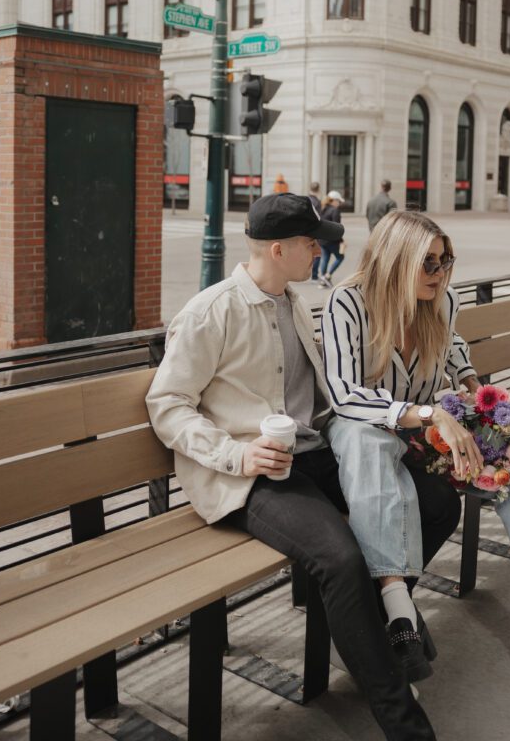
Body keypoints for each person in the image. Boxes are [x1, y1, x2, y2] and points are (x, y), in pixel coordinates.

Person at [147, 193, 438, 741]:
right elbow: (166, 406)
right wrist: (237, 454)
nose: (321, 250)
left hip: (310, 453)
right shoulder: (212, 312)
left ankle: (371, 632)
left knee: (428, 498)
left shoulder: (296, 301)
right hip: (252, 476)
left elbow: (321, 398)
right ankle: (403, 717)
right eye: (312, 243)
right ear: (279, 249)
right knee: (341, 560)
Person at [322, 209, 510, 720]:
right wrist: (423, 413)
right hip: (370, 428)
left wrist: (474, 388)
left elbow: (451, 347)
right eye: (428, 261)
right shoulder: (349, 301)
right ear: (397, 258)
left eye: (446, 259)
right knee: (367, 440)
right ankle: (399, 614)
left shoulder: (442, 301)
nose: (439, 270)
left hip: (433, 434)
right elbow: (343, 395)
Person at [318, 190, 345, 288]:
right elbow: (337, 227)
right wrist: (341, 240)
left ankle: (322, 280)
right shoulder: (335, 210)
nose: (339, 203)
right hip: (332, 240)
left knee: (325, 258)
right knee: (340, 257)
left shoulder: (323, 208)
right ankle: (327, 275)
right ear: (334, 200)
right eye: (338, 201)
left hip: (322, 239)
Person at [308, 182, 322, 280]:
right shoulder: (317, 202)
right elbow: (318, 218)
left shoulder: (307, 200)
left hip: (306, 230)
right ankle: (314, 275)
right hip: (315, 230)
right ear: (318, 189)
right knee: (317, 253)